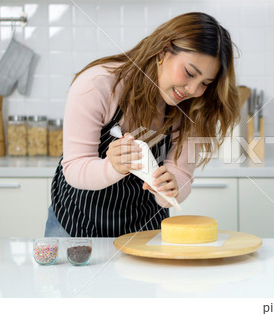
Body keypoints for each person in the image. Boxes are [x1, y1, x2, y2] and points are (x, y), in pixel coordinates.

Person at [45, 12, 240, 237]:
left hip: (145, 228)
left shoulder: (194, 106)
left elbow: (182, 173)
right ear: (163, 50)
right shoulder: (98, 85)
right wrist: (112, 167)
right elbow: (75, 167)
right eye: (189, 73)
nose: (193, 90)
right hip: (76, 223)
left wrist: (171, 187)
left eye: (205, 83)